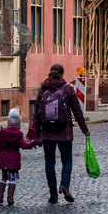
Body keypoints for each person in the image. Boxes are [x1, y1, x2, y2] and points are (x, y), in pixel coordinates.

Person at [33, 62, 89, 203]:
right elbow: (77, 112)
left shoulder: (42, 90)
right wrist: (85, 130)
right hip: (64, 132)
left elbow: (37, 113)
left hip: (47, 132)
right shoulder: (68, 90)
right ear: (62, 74)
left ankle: (53, 194)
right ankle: (64, 185)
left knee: (49, 163)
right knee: (67, 161)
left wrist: (37, 133)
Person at [0, 107, 37, 205]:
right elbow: (24, 145)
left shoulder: (2, 133)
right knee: (12, 179)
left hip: (4, 160)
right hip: (14, 161)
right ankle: (10, 199)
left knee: (3, 178)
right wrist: (34, 142)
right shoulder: (19, 134)